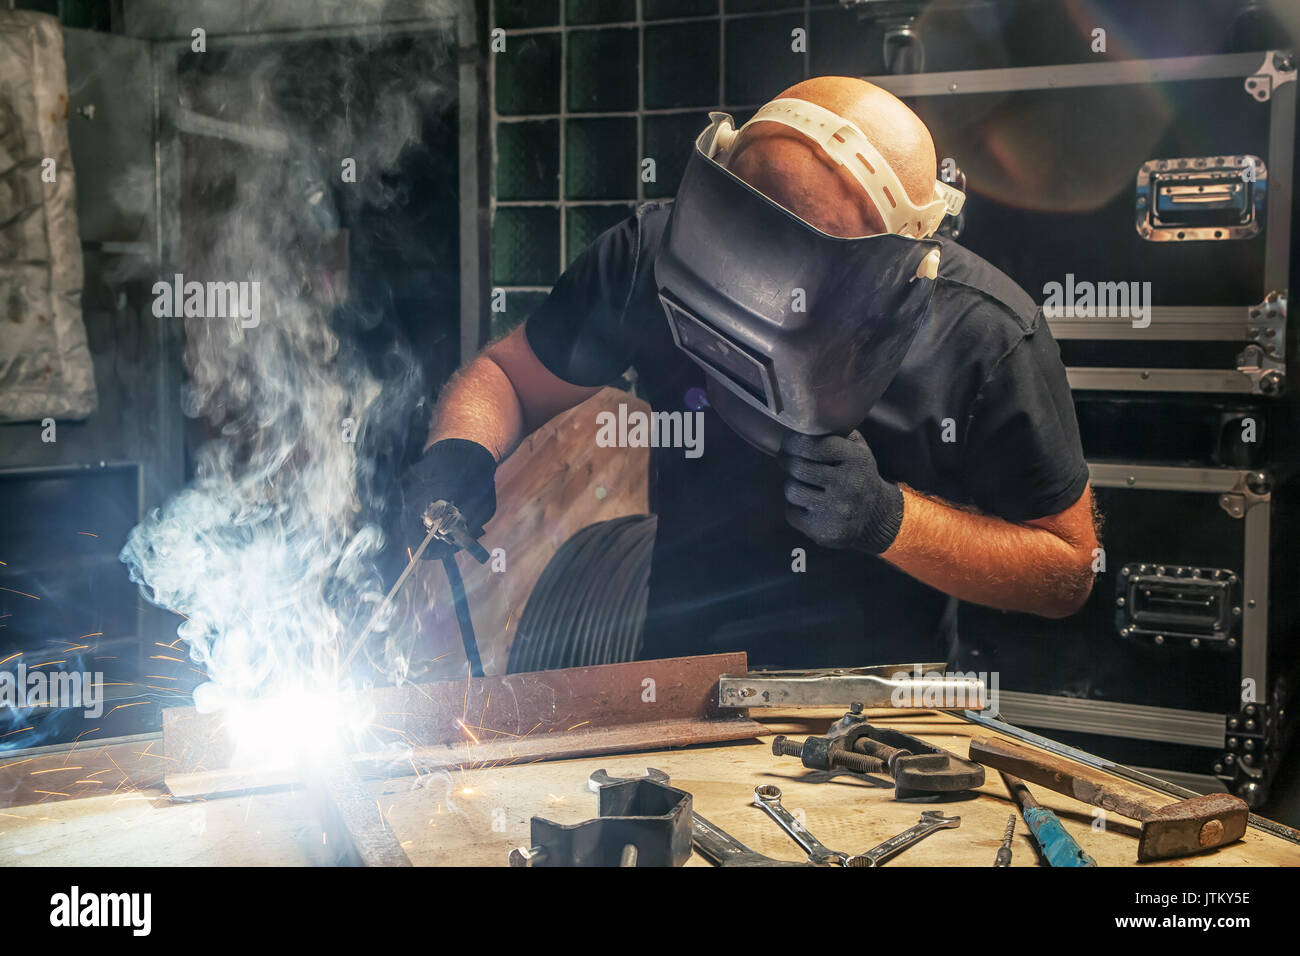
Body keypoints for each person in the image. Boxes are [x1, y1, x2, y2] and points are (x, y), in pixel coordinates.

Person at [401, 76, 1098, 669]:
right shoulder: (653, 253)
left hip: (882, 716)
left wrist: (890, 520)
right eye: (745, 240)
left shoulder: (985, 334)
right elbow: (509, 376)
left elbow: (1067, 572)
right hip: (681, 681)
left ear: (901, 264)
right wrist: (460, 450)